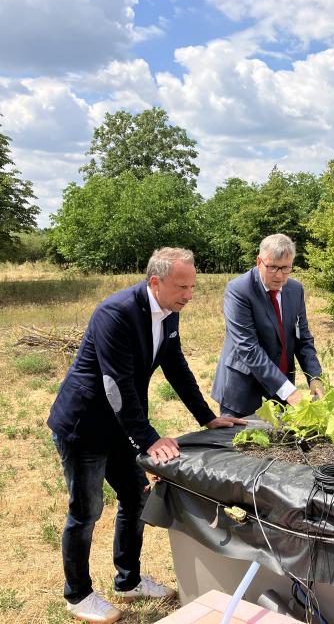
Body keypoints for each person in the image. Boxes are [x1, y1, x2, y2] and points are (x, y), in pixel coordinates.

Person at [47, 247, 245, 624]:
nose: (189, 295)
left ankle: (129, 581)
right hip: (85, 426)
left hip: (121, 425)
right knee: (86, 511)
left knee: (137, 498)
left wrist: (207, 417)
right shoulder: (116, 313)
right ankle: (78, 595)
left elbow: (176, 366)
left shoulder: (168, 313)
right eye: (182, 286)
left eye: (193, 286)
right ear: (155, 281)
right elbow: (114, 383)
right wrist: (149, 438)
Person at [212, 233, 323, 417]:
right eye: (272, 268)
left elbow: (302, 338)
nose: (279, 276)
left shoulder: (296, 290)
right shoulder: (239, 290)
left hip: (282, 391)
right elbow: (248, 348)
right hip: (243, 392)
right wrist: (289, 391)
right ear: (259, 262)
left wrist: (315, 377)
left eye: (286, 268)